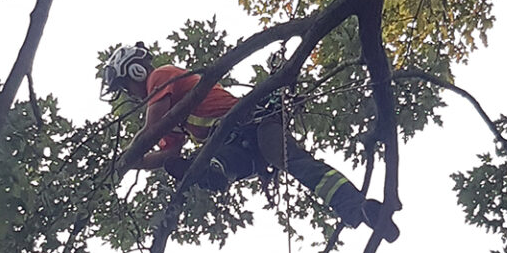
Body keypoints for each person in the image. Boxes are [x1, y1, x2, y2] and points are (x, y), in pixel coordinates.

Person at [100, 42, 399, 242]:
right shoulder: (175, 119)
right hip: (240, 142)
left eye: (125, 86)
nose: (128, 93)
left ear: (135, 71)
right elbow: (171, 152)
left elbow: (152, 129)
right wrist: (138, 163)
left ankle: (356, 206)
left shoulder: (160, 78)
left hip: (249, 122)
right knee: (260, 162)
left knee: (273, 158)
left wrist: (128, 156)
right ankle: (356, 207)